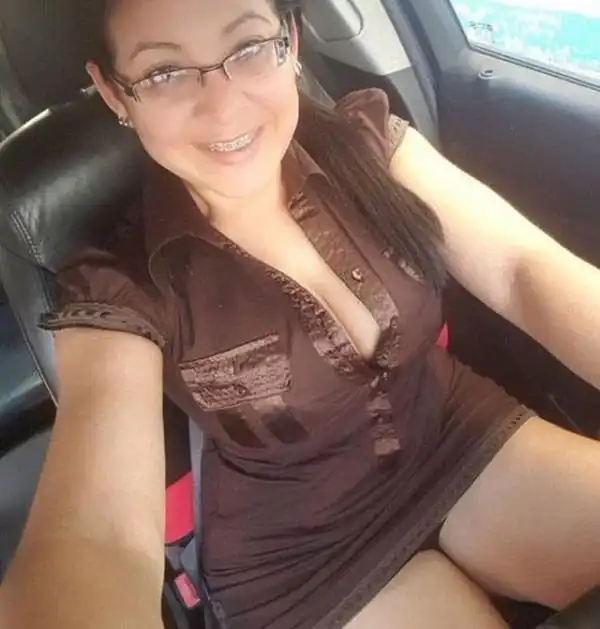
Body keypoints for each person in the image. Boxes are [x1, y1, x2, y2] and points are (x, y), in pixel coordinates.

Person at [1, 0, 599, 628]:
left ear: (289, 39)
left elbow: (520, 271)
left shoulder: (367, 144)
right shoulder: (118, 282)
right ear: (113, 93)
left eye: (248, 48)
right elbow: (100, 537)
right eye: (165, 74)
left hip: (457, 432)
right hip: (301, 559)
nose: (224, 106)